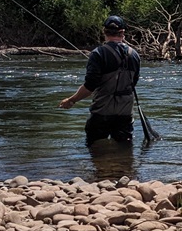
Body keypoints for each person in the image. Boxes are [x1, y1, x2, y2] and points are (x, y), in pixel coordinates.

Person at [59, 15, 141, 145]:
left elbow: (90, 86)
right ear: (123, 33)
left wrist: (71, 100)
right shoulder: (134, 54)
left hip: (102, 112)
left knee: (95, 149)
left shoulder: (98, 54)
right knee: (124, 150)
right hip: (125, 113)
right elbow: (133, 83)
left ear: (104, 32)